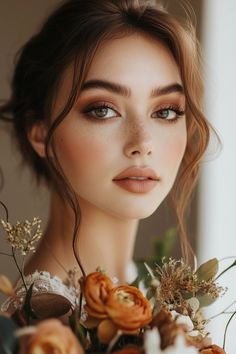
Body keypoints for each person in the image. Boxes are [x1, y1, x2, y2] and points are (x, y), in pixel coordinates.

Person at [0, 0, 216, 285]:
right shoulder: (44, 325)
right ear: (40, 132)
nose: (143, 142)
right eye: (103, 110)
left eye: (166, 112)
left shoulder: (138, 292)